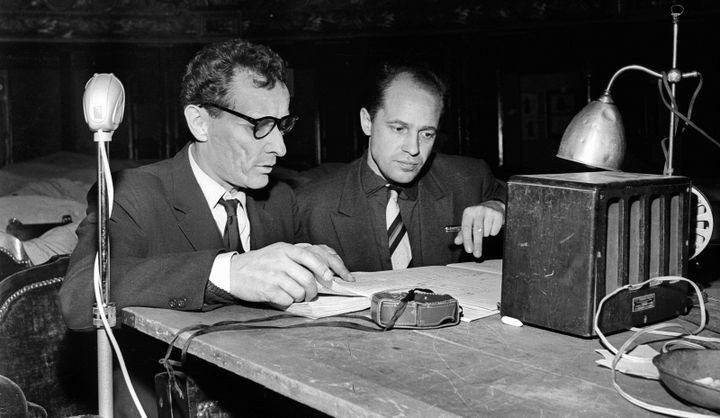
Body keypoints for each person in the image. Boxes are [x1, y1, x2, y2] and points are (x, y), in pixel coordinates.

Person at [59, 38, 354, 331]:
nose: (280, 148)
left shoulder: (280, 199)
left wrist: (308, 267)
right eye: (261, 126)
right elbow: (79, 298)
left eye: (282, 125)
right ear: (200, 123)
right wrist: (228, 272)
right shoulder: (130, 194)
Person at [296, 63, 506, 272]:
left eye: (426, 134)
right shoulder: (310, 207)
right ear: (367, 122)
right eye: (399, 128)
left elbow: (521, 198)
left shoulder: (468, 178)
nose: (413, 149)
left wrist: (500, 207)